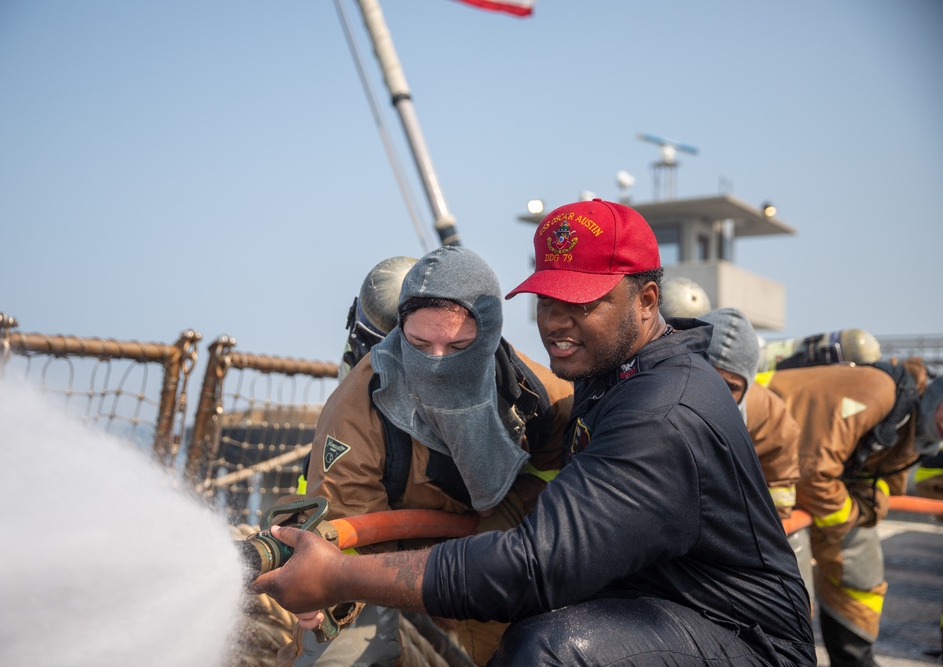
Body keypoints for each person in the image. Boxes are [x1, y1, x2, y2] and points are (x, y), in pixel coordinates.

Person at [256, 199, 816, 665]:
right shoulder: (608, 379)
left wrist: (341, 577)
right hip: (664, 603)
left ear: (647, 299)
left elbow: (531, 565)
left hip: (744, 639)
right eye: (549, 298)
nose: (555, 320)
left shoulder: (653, 411)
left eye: (583, 301)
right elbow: (340, 512)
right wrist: (329, 590)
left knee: (548, 650)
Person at [276, 245, 574, 666]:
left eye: (457, 348)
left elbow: (560, 484)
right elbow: (345, 540)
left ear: (488, 336)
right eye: (418, 343)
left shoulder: (542, 400)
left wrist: (495, 550)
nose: (435, 364)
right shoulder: (357, 411)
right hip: (376, 556)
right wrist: (323, 588)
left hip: (491, 553)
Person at [759, 357, 943, 666]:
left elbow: (884, 485)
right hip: (758, 453)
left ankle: (855, 657)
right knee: (790, 575)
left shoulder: (910, 420)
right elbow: (813, 474)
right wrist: (849, 516)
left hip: (803, 476)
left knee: (860, 563)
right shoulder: (880, 391)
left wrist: (864, 510)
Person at [696, 307, 811, 609]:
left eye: (731, 387)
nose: (716, 394)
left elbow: (780, 494)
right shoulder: (643, 394)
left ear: (747, 387)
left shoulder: (771, 417)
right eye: (706, 375)